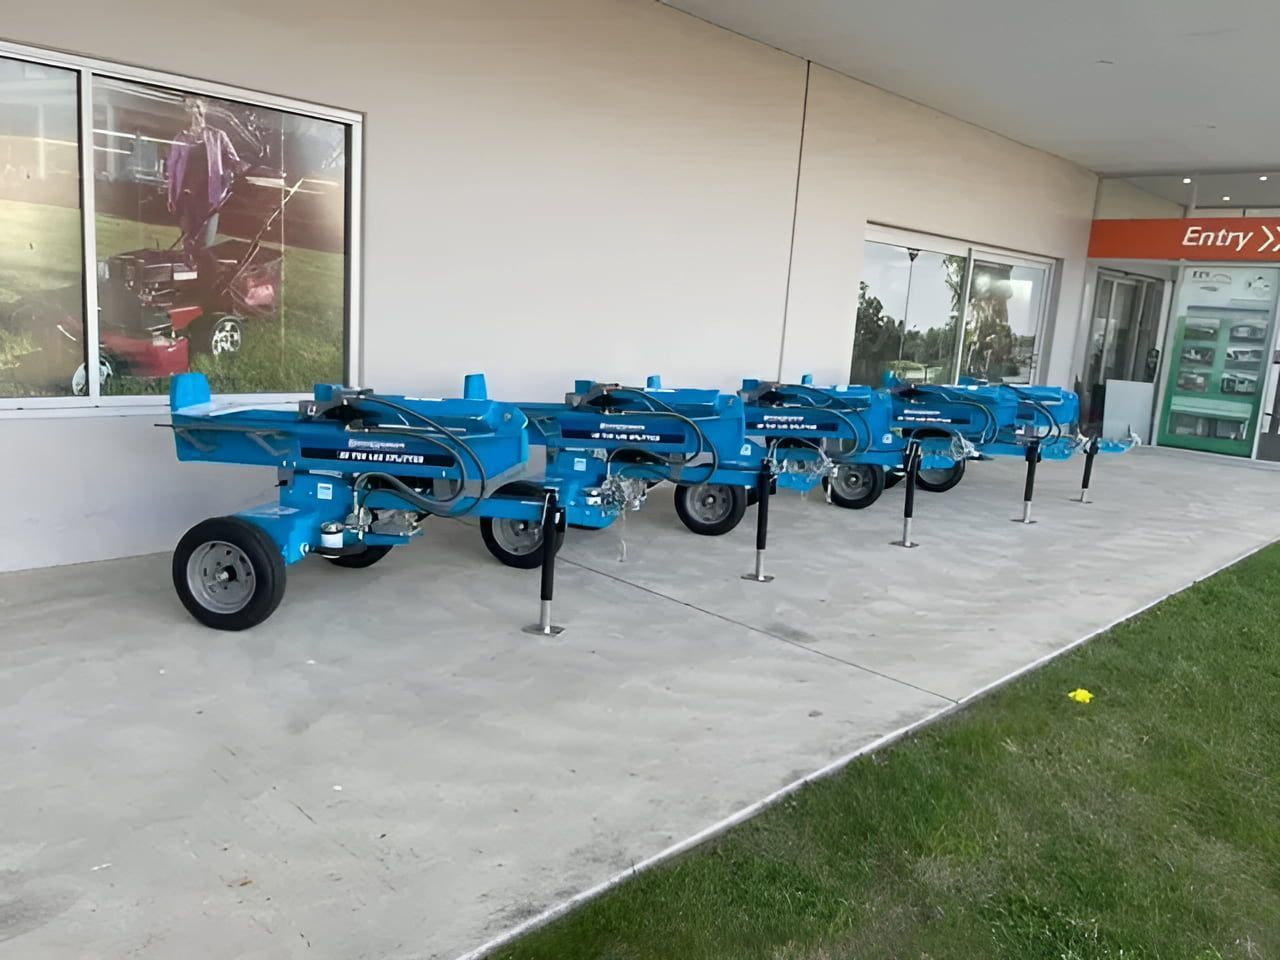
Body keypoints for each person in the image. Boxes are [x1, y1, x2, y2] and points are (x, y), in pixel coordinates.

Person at [166, 98, 240, 271]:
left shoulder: (218, 136)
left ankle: (205, 276)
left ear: (204, 110)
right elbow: (171, 170)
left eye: (197, 107)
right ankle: (187, 276)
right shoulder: (181, 138)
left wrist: (231, 177)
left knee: (205, 243)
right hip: (186, 198)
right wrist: (170, 196)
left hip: (210, 199)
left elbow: (234, 161)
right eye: (190, 107)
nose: (194, 111)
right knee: (188, 241)